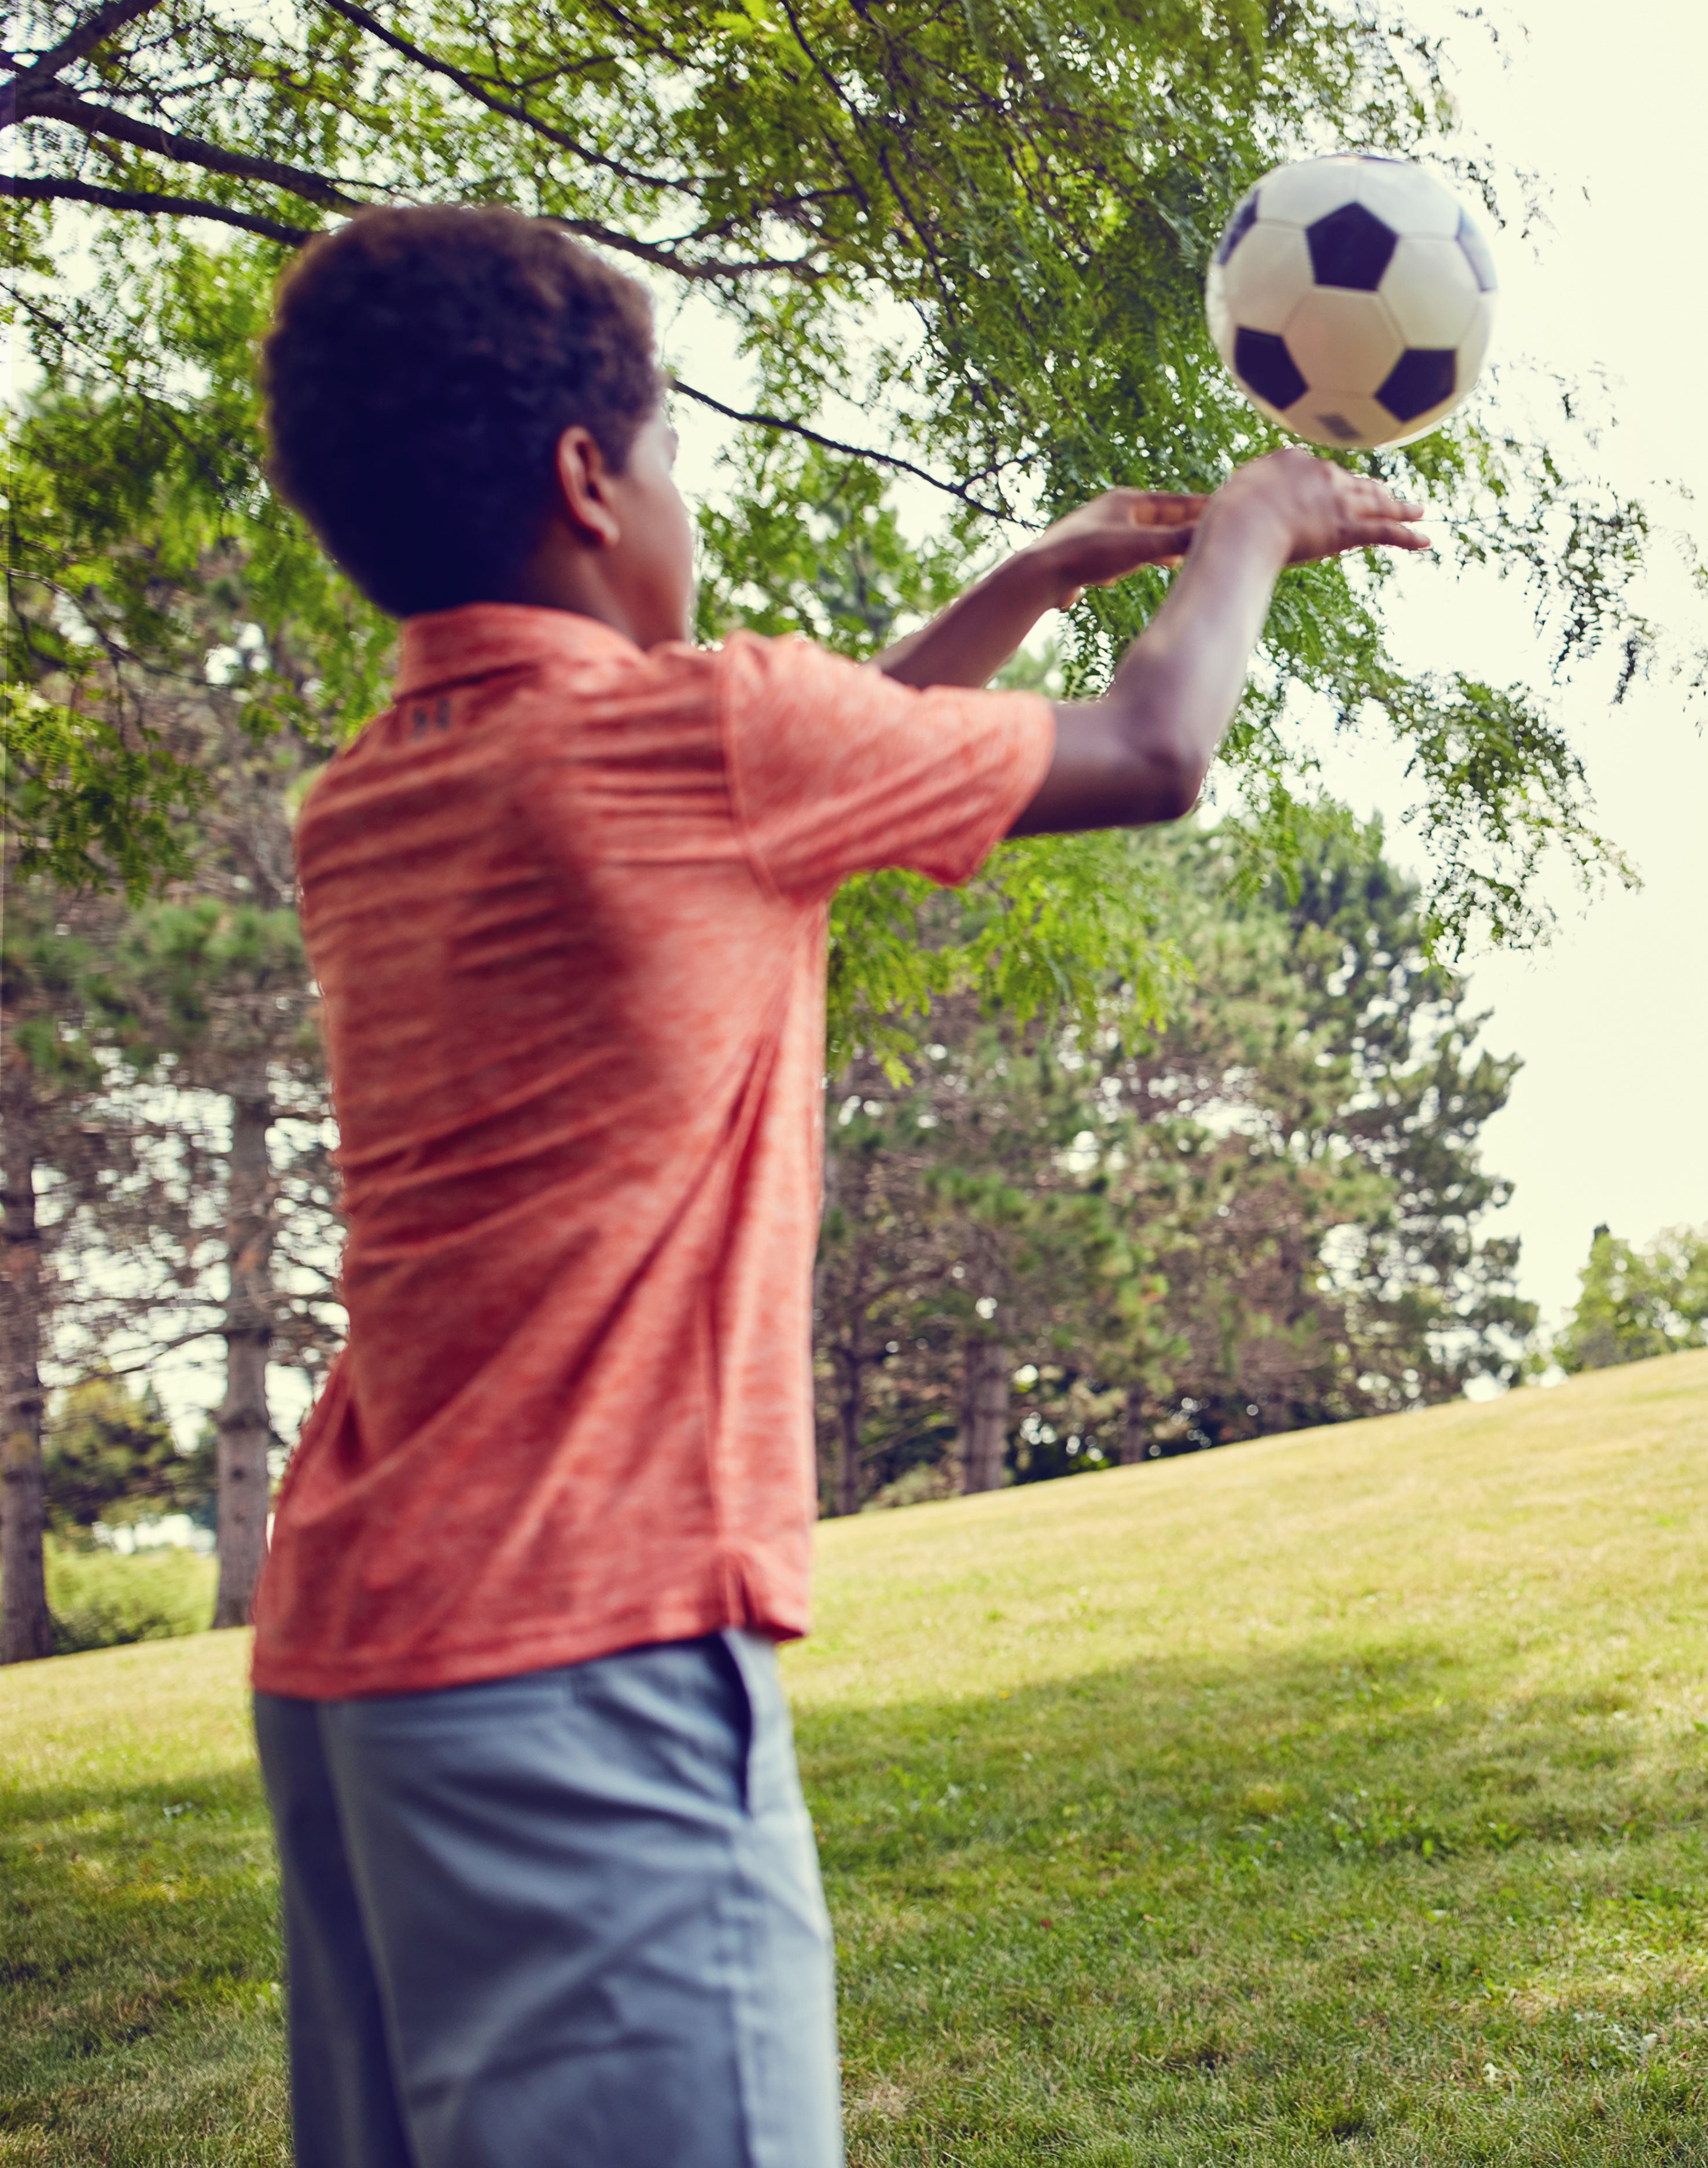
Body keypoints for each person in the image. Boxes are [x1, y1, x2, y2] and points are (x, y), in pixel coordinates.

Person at [243, 203, 1425, 2168]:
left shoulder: (372, 791)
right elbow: (1152, 748)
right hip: (580, 1654)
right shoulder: (696, 749)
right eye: (674, 456)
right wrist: (1251, 533)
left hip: (352, 1666)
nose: (680, 501)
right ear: (583, 479)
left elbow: (784, 784)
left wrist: (1025, 580)